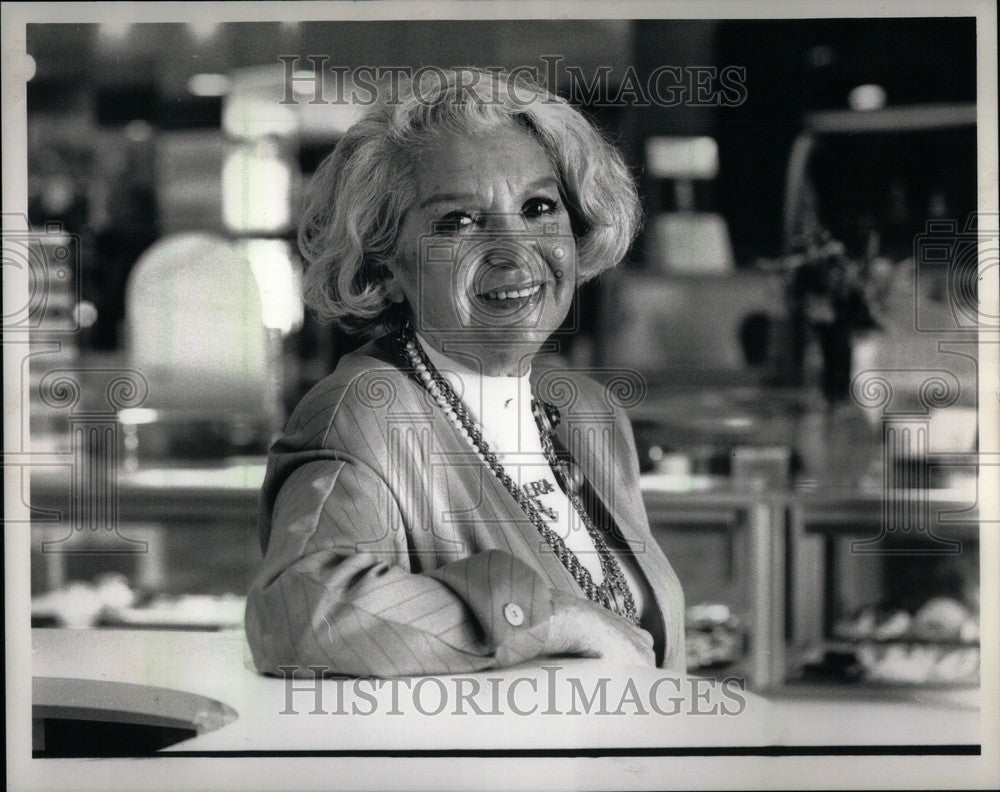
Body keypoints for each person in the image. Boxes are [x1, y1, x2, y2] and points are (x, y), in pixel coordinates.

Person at [245, 67, 685, 677]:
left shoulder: (587, 409)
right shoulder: (363, 410)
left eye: (538, 207)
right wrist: (555, 619)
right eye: (458, 221)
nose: (513, 250)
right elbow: (299, 610)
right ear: (386, 263)